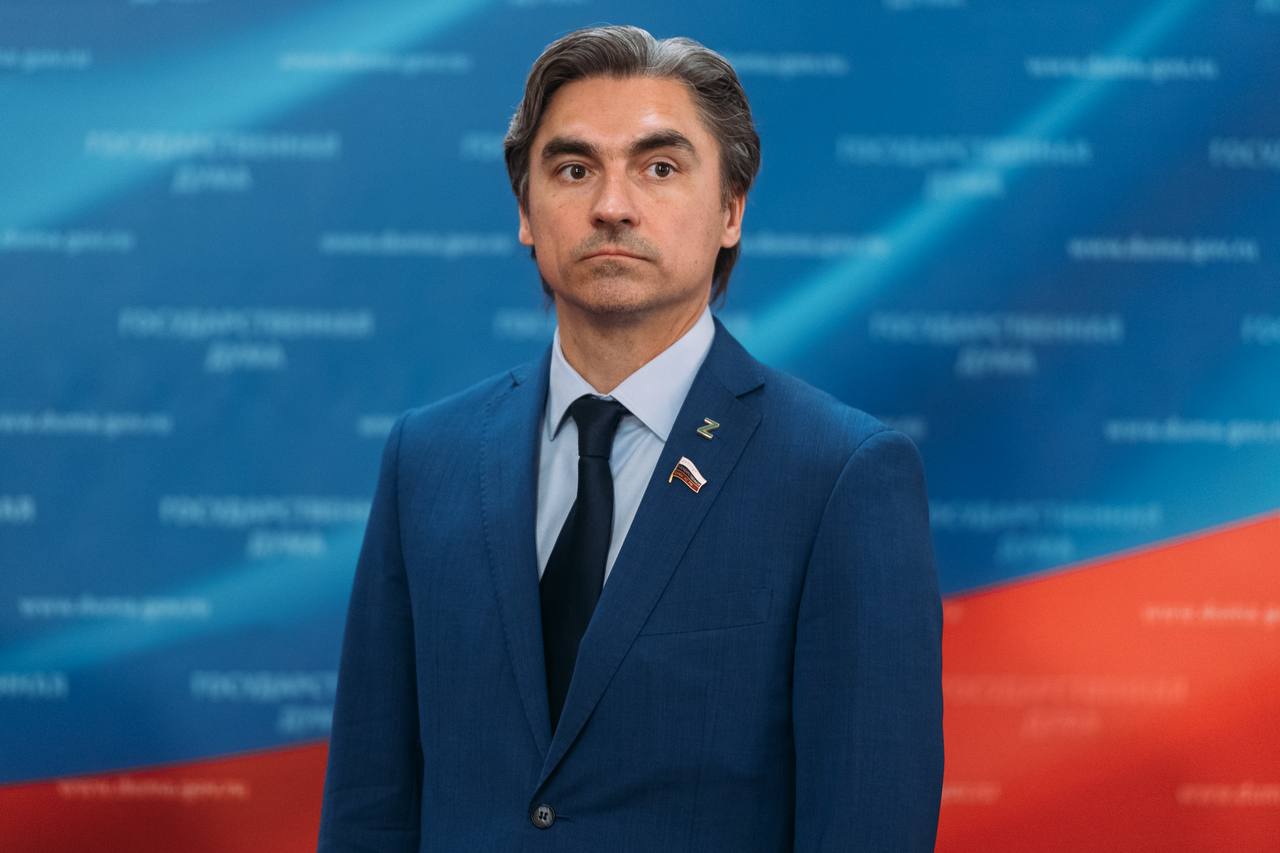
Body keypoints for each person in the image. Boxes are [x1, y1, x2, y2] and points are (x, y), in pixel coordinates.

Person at [318, 24, 942, 852]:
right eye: (574, 170)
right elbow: (370, 807)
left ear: (730, 211)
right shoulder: (427, 459)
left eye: (659, 168)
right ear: (526, 213)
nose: (612, 205)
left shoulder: (839, 475)